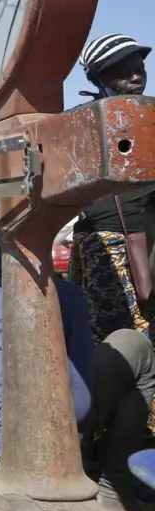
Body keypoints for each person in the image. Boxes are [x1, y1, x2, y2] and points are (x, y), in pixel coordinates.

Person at [0, 225, 155, 511]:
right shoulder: (64, 293)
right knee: (133, 346)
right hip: (33, 447)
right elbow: (80, 404)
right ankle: (115, 491)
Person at [69, 34, 155, 343]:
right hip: (107, 244)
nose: (136, 78)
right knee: (115, 338)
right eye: (123, 72)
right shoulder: (82, 123)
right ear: (98, 78)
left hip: (146, 237)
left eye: (140, 69)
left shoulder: (150, 117)